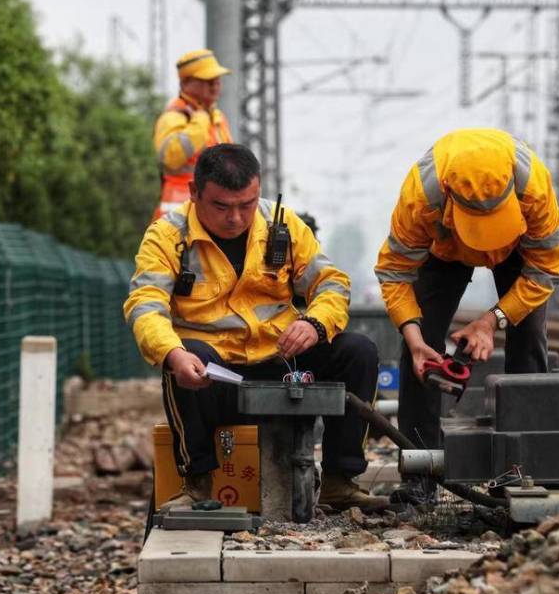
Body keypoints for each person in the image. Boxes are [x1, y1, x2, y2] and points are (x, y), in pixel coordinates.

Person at [124, 143, 387, 512]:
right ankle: (197, 484)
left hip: (284, 363)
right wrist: (173, 354)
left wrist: (315, 323)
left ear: (259, 191)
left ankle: (340, 482)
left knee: (358, 351)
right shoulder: (167, 237)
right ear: (194, 193)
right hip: (213, 376)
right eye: (221, 206)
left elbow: (331, 283)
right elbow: (145, 303)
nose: (235, 218)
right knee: (181, 355)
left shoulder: (284, 226)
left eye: (246, 205)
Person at [374, 128, 559, 503]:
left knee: (528, 339)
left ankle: (524, 467)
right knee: (421, 348)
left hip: (519, 250)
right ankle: (419, 473)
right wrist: (414, 341)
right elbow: (395, 271)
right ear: (448, 199)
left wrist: (492, 319)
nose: (487, 247)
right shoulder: (422, 198)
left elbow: (545, 269)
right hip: (444, 250)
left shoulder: (535, 191)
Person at [152, 48, 234, 220]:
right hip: (178, 213)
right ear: (185, 84)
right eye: (206, 79)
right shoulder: (173, 117)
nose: (215, 84)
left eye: (217, 78)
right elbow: (170, 158)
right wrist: (200, 122)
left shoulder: (218, 118)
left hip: (213, 210)